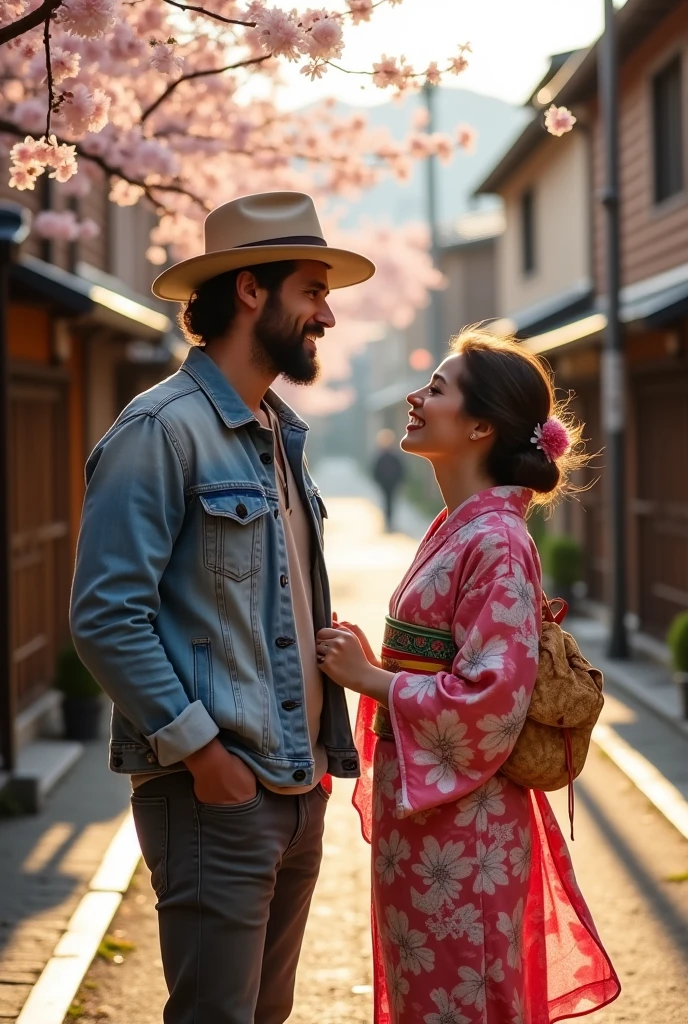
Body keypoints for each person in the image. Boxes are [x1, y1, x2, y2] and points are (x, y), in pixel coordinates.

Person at [69, 191, 375, 1024]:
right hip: (216, 796)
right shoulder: (160, 431)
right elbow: (105, 615)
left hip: (294, 786)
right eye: (312, 290)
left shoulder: (279, 431)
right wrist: (206, 756)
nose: (327, 315)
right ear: (251, 290)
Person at [316, 328, 621, 1024]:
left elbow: (493, 700)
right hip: (431, 826)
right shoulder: (465, 528)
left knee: (464, 1003)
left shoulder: (497, 541)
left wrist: (372, 679)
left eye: (437, 388)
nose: (414, 397)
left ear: (481, 425)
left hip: (465, 833)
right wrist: (378, 659)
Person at [372, 427, 407, 532]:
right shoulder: (381, 456)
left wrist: (399, 480)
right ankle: (388, 522)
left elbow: (401, 470)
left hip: (392, 483)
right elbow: (375, 471)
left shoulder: (394, 456)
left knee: (390, 502)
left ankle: (390, 522)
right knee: (387, 502)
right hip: (385, 484)